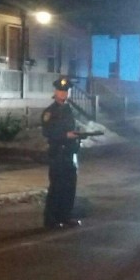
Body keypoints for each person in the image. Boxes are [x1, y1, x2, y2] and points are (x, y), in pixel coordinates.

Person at [41, 77, 82, 229]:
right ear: (55, 92)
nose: (64, 93)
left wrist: (78, 135)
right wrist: (65, 135)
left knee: (70, 187)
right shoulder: (50, 112)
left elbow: (72, 127)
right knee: (57, 187)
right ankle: (51, 219)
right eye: (61, 91)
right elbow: (47, 132)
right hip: (58, 153)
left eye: (66, 91)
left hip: (70, 153)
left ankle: (65, 216)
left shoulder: (69, 110)